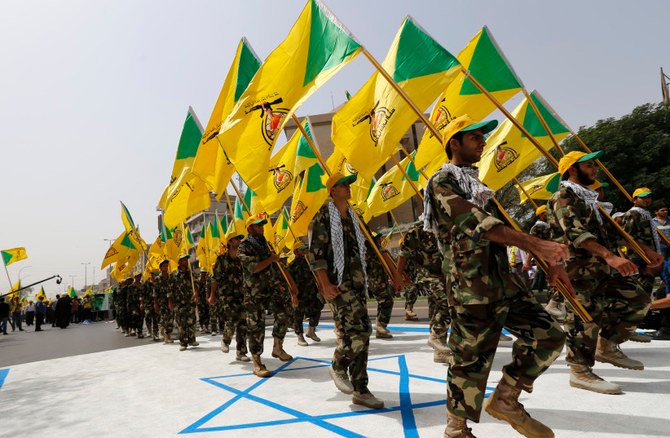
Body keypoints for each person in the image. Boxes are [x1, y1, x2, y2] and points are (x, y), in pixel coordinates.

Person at [424, 115, 569, 437]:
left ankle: (506, 399)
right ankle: (456, 429)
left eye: (482, 137)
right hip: (471, 289)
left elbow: (507, 232)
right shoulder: (441, 183)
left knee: (550, 336)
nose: (483, 142)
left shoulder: (478, 187)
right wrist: (536, 243)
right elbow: (478, 224)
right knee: (469, 361)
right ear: (454, 143)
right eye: (475, 137)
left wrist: (553, 264)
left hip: (505, 284)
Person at [547, 151, 659, 395]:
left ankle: (606, 346)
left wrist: (648, 251)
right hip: (578, 270)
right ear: (573, 170)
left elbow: (615, 232)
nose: (595, 170)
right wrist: (610, 256)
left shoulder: (589, 200)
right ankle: (579, 370)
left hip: (602, 269)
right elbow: (575, 234)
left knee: (638, 298)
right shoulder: (563, 196)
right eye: (589, 165)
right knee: (583, 319)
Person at [309, 172, 385, 410]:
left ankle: (361, 389)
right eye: (342, 185)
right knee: (360, 332)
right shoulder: (322, 217)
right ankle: (338, 364)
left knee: (362, 334)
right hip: (337, 285)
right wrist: (325, 285)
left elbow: (363, 251)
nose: (348, 188)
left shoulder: (354, 217)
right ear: (332, 191)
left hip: (357, 284)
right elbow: (316, 255)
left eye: (348, 184)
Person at [238, 214, 298, 377]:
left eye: (262, 225)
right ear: (250, 228)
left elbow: (278, 265)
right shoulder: (244, 246)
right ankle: (257, 361)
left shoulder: (267, 245)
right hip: (254, 293)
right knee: (256, 326)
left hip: (272, 289)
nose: (262, 228)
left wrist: (291, 285)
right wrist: (270, 259)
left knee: (284, 313)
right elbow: (253, 268)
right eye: (258, 225)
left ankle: (277, 347)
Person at [397, 221, 451, 364]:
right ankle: (436, 336)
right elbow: (403, 255)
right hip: (423, 273)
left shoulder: (448, 227)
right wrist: (397, 276)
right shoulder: (417, 230)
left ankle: (440, 351)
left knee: (436, 309)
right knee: (448, 302)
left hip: (443, 274)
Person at [622, 187, 666, 342]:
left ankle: (632, 327)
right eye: (643, 197)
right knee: (637, 295)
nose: (647, 199)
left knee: (645, 293)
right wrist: (645, 260)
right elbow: (629, 238)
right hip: (640, 260)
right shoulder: (633, 214)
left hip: (650, 259)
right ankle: (627, 328)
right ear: (634, 199)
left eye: (649, 197)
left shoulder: (645, 214)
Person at [209, 233, 250, 361]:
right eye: (236, 239)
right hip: (227, 296)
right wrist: (212, 295)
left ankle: (241, 352)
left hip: (241, 294)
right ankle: (226, 341)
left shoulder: (242, 258)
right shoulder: (222, 259)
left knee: (243, 323)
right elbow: (215, 279)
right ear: (230, 242)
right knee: (231, 319)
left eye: (239, 239)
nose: (239, 241)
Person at [288, 240, 324, 346]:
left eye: (305, 249)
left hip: (311, 293)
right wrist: (293, 296)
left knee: (317, 308)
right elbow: (289, 283)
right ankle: (300, 336)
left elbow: (316, 276)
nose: (304, 251)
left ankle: (311, 331)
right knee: (298, 315)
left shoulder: (309, 263)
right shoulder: (292, 266)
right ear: (296, 252)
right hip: (300, 295)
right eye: (301, 249)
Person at [169, 255, 199, 351]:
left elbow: (196, 285)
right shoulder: (173, 275)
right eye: (184, 260)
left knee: (191, 321)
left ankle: (192, 339)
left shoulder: (191, 273)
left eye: (187, 260)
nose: (186, 261)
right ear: (179, 262)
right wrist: (170, 302)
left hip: (190, 301)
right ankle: (183, 343)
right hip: (179, 303)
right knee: (181, 323)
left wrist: (196, 294)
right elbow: (170, 290)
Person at [155, 260, 175, 344]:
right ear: (160, 268)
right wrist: (155, 304)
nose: (166, 267)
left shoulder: (171, 277)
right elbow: (155, 293)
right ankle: (162, 333)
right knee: (163, 319)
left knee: (170, 318)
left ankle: (168, 336)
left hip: (171, 301)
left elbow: (174, 289)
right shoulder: (157, 279)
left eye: (167, 266)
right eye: (164, 266)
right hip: (162, 302)